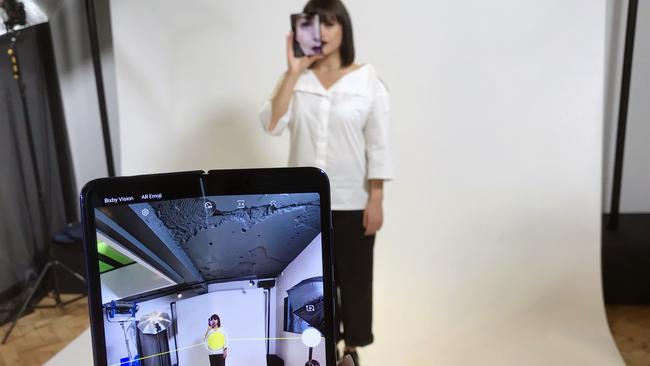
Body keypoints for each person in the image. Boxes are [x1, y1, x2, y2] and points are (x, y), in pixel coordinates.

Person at [259, 0, 393, 364]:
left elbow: (378, 145)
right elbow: (272, 124)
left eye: (331, 23)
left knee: (354, 279)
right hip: (303, 202)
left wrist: (376, 199)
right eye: (315, 24)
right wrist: (292, 70)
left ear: (344, 29)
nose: (323, 32)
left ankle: (352, 349)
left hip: (352, 200)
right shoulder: (296, 79)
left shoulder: (367, 79)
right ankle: (325, 345)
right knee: (314, 279)